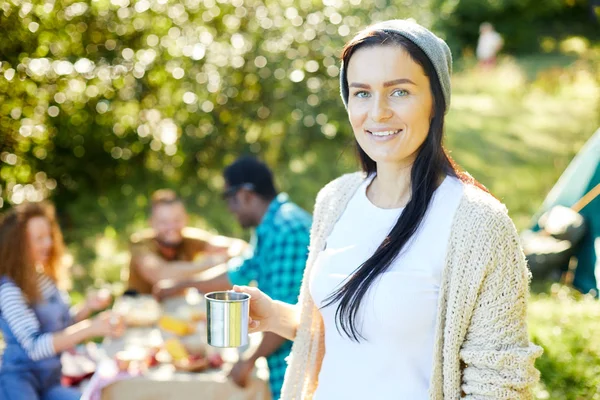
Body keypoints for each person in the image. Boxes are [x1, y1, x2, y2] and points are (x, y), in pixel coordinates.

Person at [232, 19, 542, 399]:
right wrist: (278, 316)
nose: (377, 113)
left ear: (436, 102)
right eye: (361, 93)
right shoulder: (336, 200)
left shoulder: (479, 224)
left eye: (399, 92)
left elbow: (500, 384)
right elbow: (354, 341)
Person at [155, 156, 312, 400]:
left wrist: (248, 361)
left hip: (299, 369)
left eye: (229, 199)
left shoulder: (286, 230)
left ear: (245, 194)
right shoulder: (270, 226)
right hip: (281, 361)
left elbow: (288, 311)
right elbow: (235, 274)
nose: (229, 208)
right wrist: (180, 286)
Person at [0, 202, 126, 400]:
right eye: (39, 238)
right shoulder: (9, 291)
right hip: (20, 384)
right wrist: (91, 328)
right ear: (18, 245)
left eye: (49, 236)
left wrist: (87, 307)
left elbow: (63, 327)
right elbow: (35, 347)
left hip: (49, 381)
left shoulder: (43, 278)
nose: (48, 244)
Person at [127, 189, 246, 295]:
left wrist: (230, 255)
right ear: (151, 223)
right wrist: (211, 263)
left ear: (186, 219)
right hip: (137, 309)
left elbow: (239, 245)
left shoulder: (189, 238)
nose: (171, 227)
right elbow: (163, 275)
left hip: (176, 309)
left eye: (177, 220)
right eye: (164, 222)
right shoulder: (140, 245)